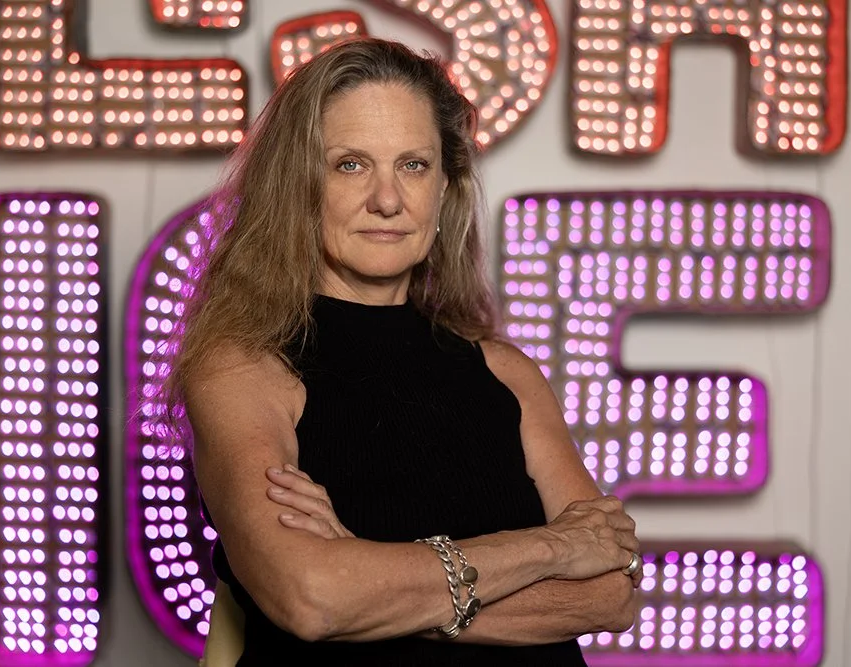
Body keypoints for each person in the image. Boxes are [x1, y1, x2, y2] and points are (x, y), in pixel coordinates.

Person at [159, 38, 643, 666]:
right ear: (297, 185)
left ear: (445, 186)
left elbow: (610, 594)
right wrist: (551, 549)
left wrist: (369, 578)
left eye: (413, 165)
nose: (387, 200)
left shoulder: (506, 372)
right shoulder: (243, 367)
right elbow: (313, 598)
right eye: (350, 165)